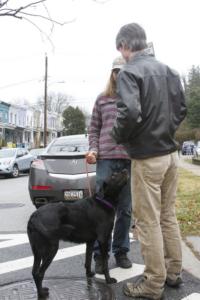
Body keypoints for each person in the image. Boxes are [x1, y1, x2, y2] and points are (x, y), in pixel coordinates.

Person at [111, 23, 187, 300]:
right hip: (170, 156)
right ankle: (173, 272)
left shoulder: (129, 71)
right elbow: (181, 109)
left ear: (125, 46)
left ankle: (153, 284)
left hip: (147, 158)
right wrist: (164, 130)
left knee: (147, 222)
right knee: (167, 216)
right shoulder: (170, 70)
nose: (122, 53)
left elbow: (129, 112)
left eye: (120, 48)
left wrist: (118, 135)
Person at [86, 56, 132, 273]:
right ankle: (99, 255)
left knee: (125, 210)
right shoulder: (102, 99)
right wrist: (94, 150)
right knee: (100, 211)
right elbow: (94, 129)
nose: (119, 75)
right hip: (105, 160)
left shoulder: (135, 98)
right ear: (112, 73)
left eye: (124, 71)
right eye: (116, 71)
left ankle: (121, 251)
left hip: (128, 160)